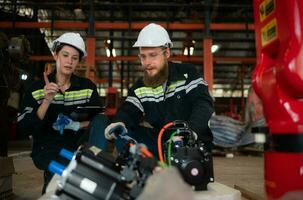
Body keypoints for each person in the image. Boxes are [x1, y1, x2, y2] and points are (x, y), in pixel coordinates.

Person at [92, 23, 214, 157]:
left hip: (190, 143)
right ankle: (149, 164)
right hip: (162, 142)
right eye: (143, 56)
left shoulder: (187, 74)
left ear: (166, 53)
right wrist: (119, 122)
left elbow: (203, 105)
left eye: (152, 55)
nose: (147, 63)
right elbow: (129, 109)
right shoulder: (141, 86)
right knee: (124, 136)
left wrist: (189, 132)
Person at [17, 32, 107, 193]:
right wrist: (46, 100)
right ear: (56, 55)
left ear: (78, 61)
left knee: (102, 120)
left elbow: (97, 120)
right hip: (49, 148)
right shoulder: (37, 88)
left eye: (74, 57)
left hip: (79, 145)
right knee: (58, 190)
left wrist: (76, 124)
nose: (69, 61)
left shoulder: (86, 87)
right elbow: (25, 127)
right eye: (65, 55)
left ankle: (95, 166)